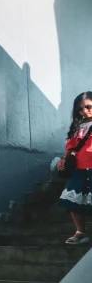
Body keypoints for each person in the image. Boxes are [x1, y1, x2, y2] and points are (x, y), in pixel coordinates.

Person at [57, 91, 92, 245]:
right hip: (78, 169)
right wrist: (64, 160)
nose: (84, 111)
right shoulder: (77, 127)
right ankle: (80, 232)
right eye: (80, 109)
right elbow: (71, 147)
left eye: (88, 106)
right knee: (72, 201)